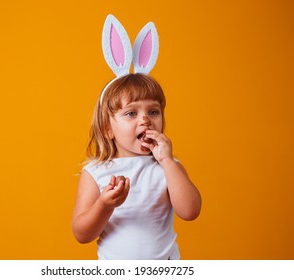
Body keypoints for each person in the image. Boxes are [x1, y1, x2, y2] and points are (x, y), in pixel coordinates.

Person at [72, 15, 201, 260]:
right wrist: (105, 205)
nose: (145, 119)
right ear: (108, 129)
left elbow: (190, 211)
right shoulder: (96, 173)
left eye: (153, 111)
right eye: (131, 113)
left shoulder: (168, 167)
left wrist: (167, 162)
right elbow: (81, 233)